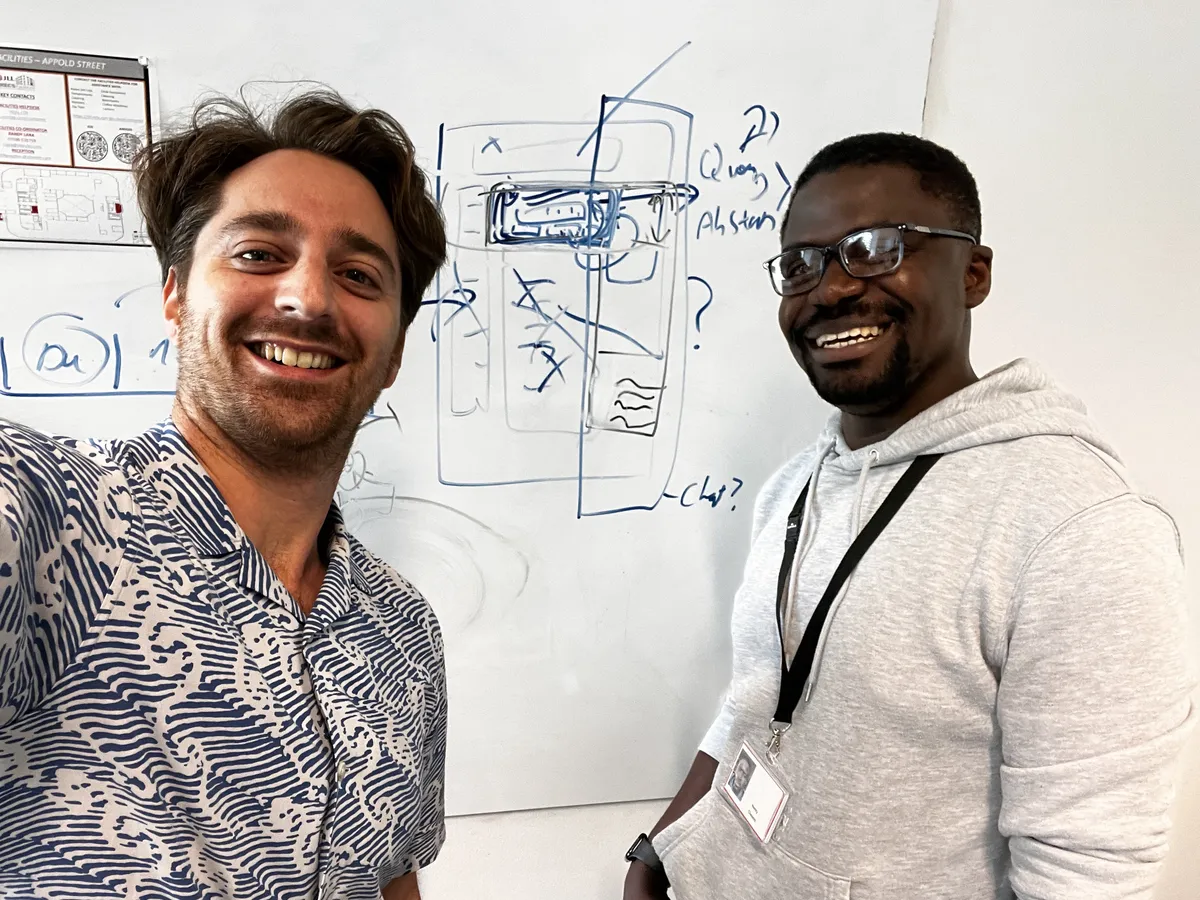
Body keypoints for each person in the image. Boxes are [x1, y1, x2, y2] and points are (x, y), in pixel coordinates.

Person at [623, 133, 1196, 900]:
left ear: (974, 273)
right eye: (801, 264)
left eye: (875, 249)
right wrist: (659, 852)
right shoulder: (794, 488)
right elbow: (755, 699)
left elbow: (1087, 874)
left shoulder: (1081, 529)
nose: (830, 289)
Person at [0, 89, 448, 900]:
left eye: (357, 275)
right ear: (176, 295)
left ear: (393, 355)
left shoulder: (404, 631)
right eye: (258, 254)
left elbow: (393, 878)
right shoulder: (49, 523)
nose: (308, 299)